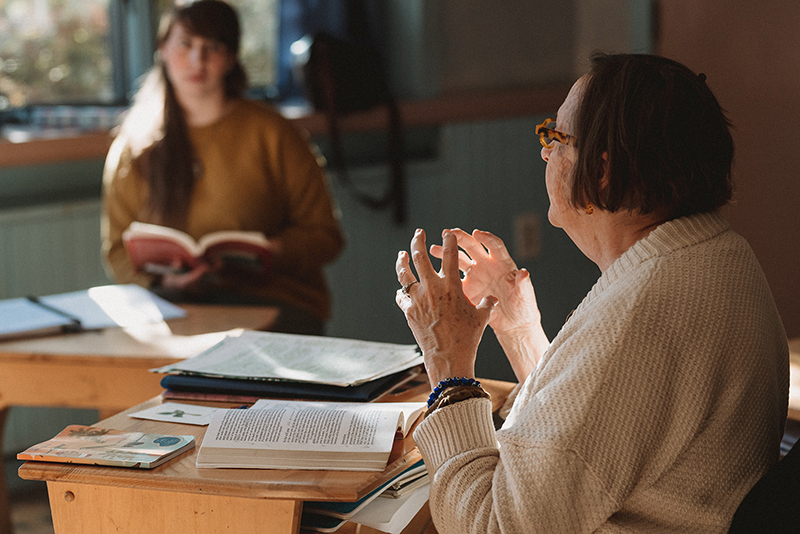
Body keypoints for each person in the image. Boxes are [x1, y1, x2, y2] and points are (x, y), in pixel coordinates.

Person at [395, 53, 789, 533]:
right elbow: (598, 433)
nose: (545, 153)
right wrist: (521, 329)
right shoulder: (716, 253)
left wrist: (448, 369)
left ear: (601, 170)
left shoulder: (644, 312)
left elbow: (494, 526)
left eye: (556, 138)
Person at [102, 0, 345, 336]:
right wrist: (168, 279)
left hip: (273, 302)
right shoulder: (134, 144)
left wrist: (272, 250)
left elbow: (325, 237)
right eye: (185, 44)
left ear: (231, 58)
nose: (197, 60)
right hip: (176, 301)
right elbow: (117, 251)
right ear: (163, 48)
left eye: (212, 47)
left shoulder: (272, 133)